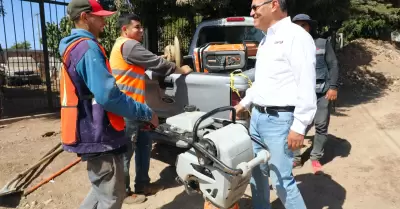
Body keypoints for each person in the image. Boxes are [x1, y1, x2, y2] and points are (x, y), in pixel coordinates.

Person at [59, 0, 158, 208]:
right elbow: (108, 96)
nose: (104, 21)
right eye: (100, 17)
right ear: (85, 17)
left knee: (100, 191)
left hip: (91, 130)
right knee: (111, 197)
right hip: (100, 133)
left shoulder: (73, 47)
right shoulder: (87, 48)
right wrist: (145, 112)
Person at [231, 0, 317, 208]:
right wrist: (244, 103)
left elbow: (306, 84)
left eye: (254, 7)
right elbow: (263, 81)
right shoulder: (266, 41)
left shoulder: (297, 37)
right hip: (258, 118)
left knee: (282, 182)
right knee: (256, 174)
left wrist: (299, 127)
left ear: (274, 5)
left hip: (280, 121)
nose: (251, 12)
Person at [109, 13, 193, 204]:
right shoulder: (128, 45)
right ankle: (125, 192)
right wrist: (180, 69)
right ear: (125, 30)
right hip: (127, 110)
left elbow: (148, 65)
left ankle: (143, 184)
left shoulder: (125, 48)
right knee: (126, 152)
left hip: (138, 109)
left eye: (141, 27)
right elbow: (156, 63)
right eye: (136, 27)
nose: (141, 30)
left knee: (144, 145)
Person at [291, 14, 339, 173]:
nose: (300, 29)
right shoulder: (290, 46)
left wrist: (333, 86)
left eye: (303, 25)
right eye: (296, 25)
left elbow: (333, 64)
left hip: (322, 92)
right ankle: (296, 159)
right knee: (298, 125)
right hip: (300, 94)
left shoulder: (322, 43)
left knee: (320, 124)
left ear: (309, 26)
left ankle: (315, 157)